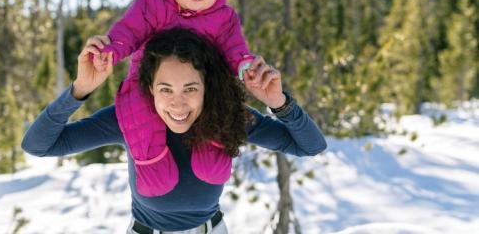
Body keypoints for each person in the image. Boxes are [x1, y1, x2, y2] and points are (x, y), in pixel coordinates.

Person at [21, 28, 327, 234]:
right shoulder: (127, 119)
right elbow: (38, 145)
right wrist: (79, 90)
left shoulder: (227, 116)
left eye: (191, 88)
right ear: (150, 88)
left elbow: (310, 145)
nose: (177, 104)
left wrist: (279, 102)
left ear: (208, 87)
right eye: (165, 89)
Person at [87, 0, 255, 197]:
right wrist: (112, 50)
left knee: (217, 112)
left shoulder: (224, 18)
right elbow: (130, 30)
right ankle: (151, 163)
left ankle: (215, 147)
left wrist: (244, 66)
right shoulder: (154, 4)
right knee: (139, 116)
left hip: (200, 90)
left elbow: (234, 47)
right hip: (148, 84)